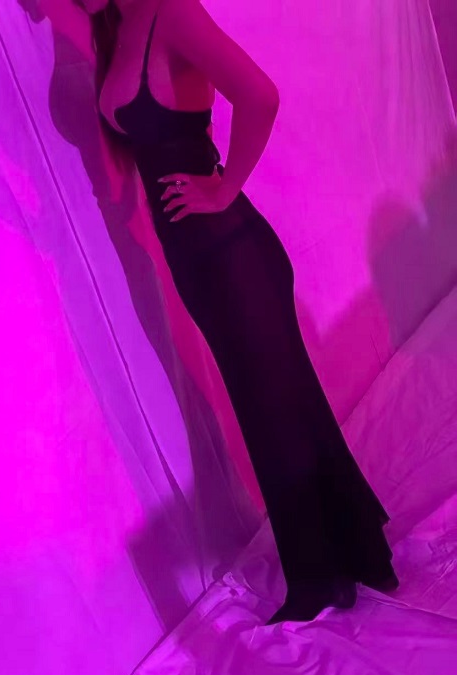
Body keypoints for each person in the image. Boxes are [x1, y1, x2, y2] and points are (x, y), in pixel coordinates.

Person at [70, 0, 398, 624]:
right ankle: (355, 547)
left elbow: (260, 95)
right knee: (280, 401)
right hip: (194, 255)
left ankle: (317, 578)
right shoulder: (115, 27)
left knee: (272, 410)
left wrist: (223, 189)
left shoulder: (170, 11)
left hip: (231, 251)